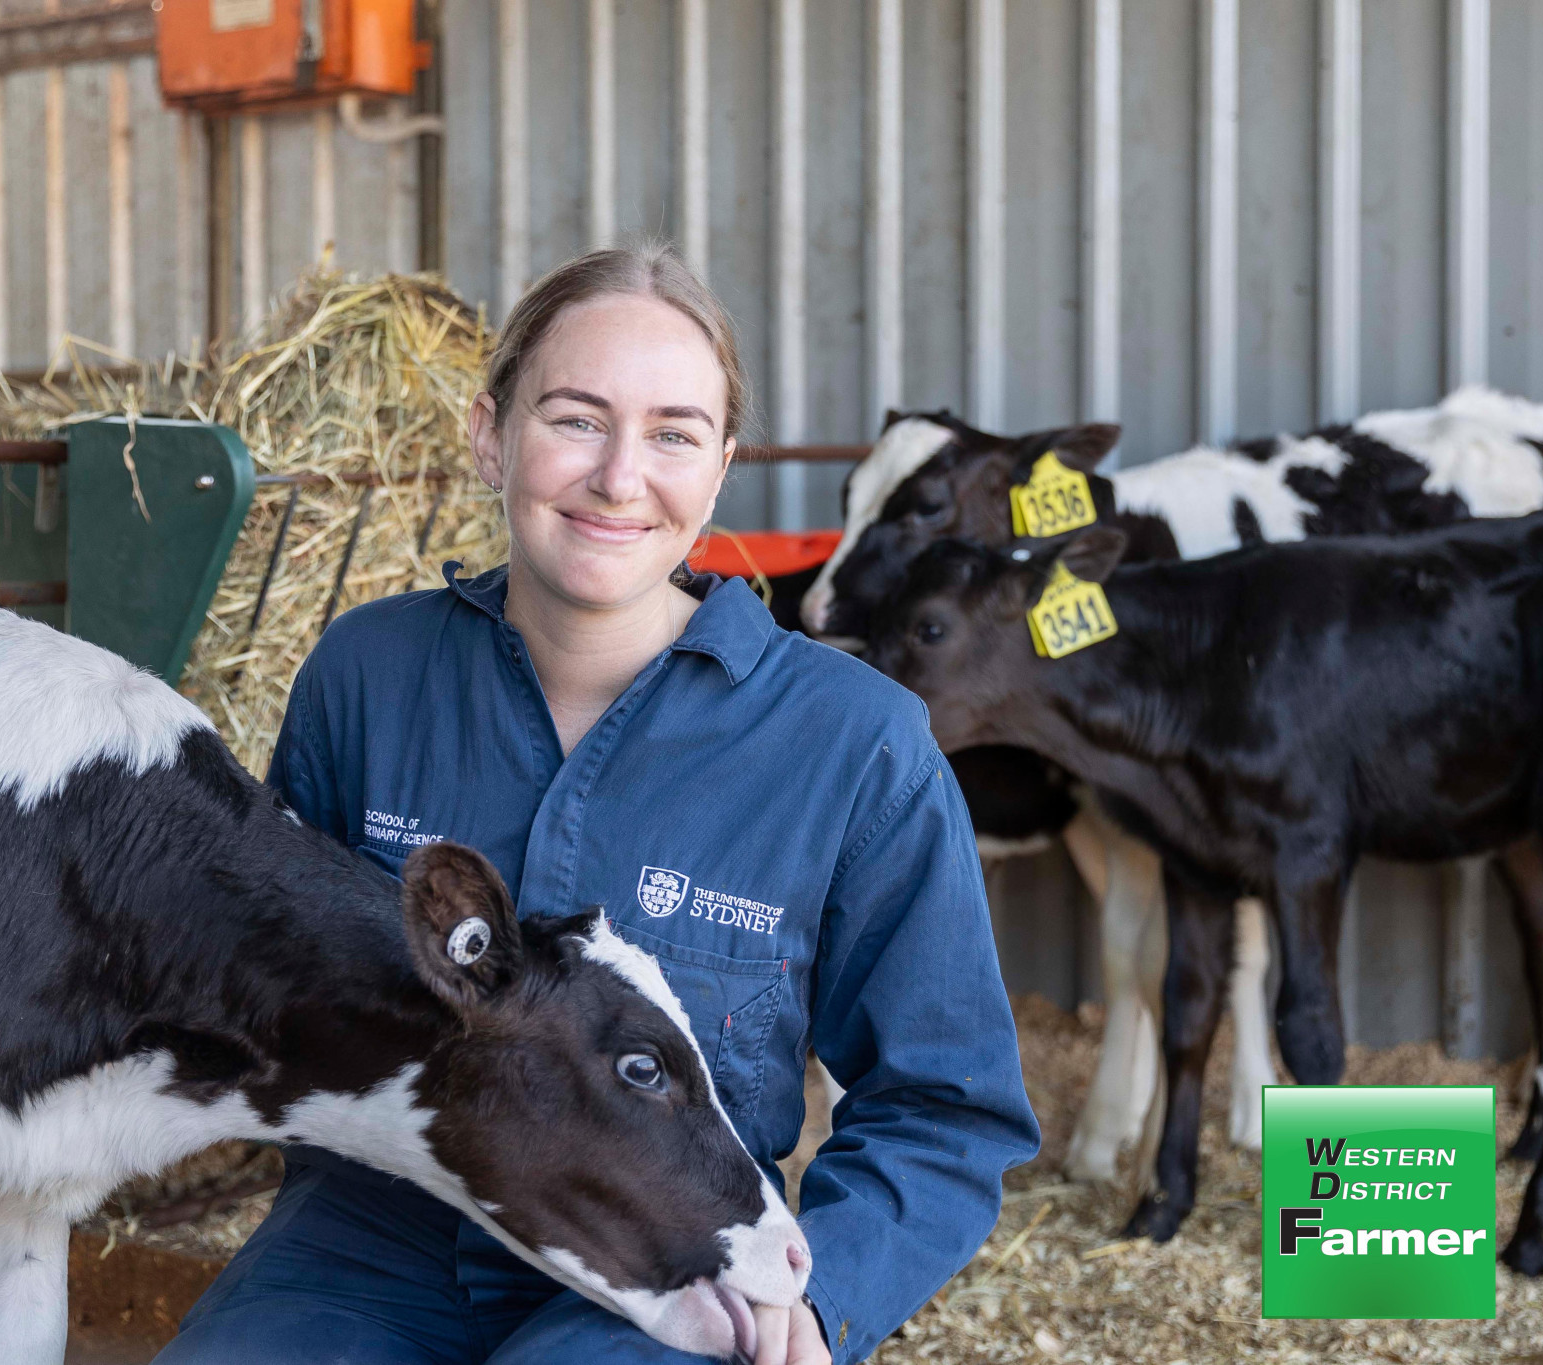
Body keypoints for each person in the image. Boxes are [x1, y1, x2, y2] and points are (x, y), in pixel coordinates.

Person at [153, 245, 1040, 1365]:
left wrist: (823, 1296)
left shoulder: (852, 742)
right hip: (368, 1247)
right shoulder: (365, 679)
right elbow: (268, 1002)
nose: (619, 478)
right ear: (490, 435)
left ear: (718, 472)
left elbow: (947, 1107)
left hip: (676, 1251)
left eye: (672, 434)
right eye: (574, 419)